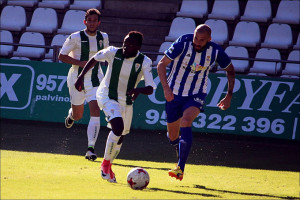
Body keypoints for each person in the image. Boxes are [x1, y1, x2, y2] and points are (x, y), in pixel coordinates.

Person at [74, 31, 156, 183]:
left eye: (130, 45)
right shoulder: (113, 52)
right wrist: (80, 76)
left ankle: (109, 164)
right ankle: (105, 166)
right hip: (107, 95)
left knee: (120, 137)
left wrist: (138, 90)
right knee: (117, 128)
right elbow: (94, 58)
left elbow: (150, 87)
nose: (125, 47)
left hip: (126, 101)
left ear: (138, 47)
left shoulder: (145, 61)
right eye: (125, 43)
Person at [157, 24, 235, 181]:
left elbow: (230, 70)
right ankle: (179, 147)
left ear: (209, 39)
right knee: (173, 136)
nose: (198, 43)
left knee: (186, 121)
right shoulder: (182, 44)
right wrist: (166, 89)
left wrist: (229, 95)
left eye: (202, 40)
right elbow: (161, 64)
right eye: (196, 39)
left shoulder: (215, 51)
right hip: (174, 93)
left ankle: (180, 168)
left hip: (196, 93)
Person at [58, 8, 109, 161]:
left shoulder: (104, 37)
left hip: (96, 79)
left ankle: (90, 149)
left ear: (99, 22)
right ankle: (71, 115)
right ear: (85, 21)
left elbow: (106, 55)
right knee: (79, 115)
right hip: (76, 78)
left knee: (95, 110)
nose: (92, 23)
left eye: (95, 20)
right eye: (89, 20)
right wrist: (79, 62)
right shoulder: (75, 37)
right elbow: (61, 56)